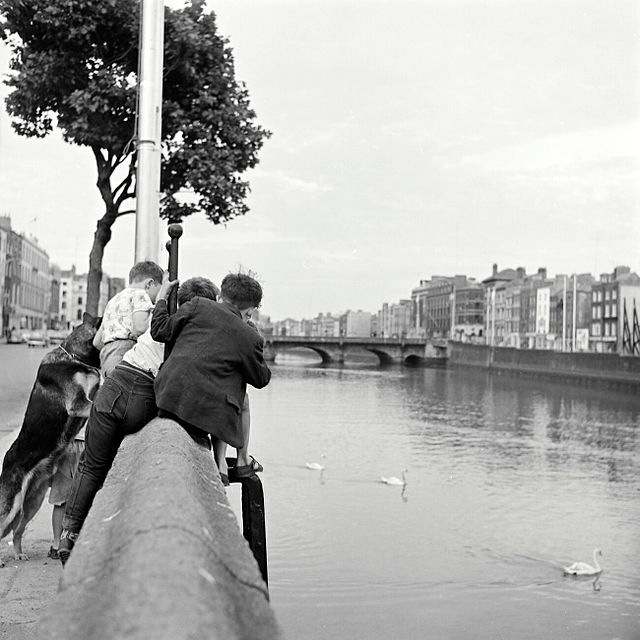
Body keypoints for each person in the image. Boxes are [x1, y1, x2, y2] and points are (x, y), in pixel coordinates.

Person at [58, 277, 219, 566]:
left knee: (91, 465)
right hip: (142, 393)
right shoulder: (194, 333)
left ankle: (69, 534)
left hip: (115, 383)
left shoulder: (163, 319)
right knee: (121, 467)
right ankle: (104, 538)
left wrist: (162, 298)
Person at [150, 272, 271, 484]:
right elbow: (260, 379)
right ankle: (237, 460)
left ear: (221, 295)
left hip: (166, 398)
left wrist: (162, 297)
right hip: (207, 418)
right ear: (250, 310)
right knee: (235, 374)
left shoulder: (197, 305)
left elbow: (160, 330)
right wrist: (255, 341)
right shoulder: (248, 335)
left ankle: (228, 462)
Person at [93, 261, 164, 377]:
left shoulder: (113, 301)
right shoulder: (141, 294)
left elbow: (97, 342)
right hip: (126, 354)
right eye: (159, 291)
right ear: (149, 284)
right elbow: (140, 328)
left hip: (107, 357)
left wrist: (112, 347)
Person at [46, 429, 85, 559]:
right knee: (87, 494)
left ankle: (57, 545)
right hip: (88, 441)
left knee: (60, 499)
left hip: (65, 444)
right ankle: (80, 541)